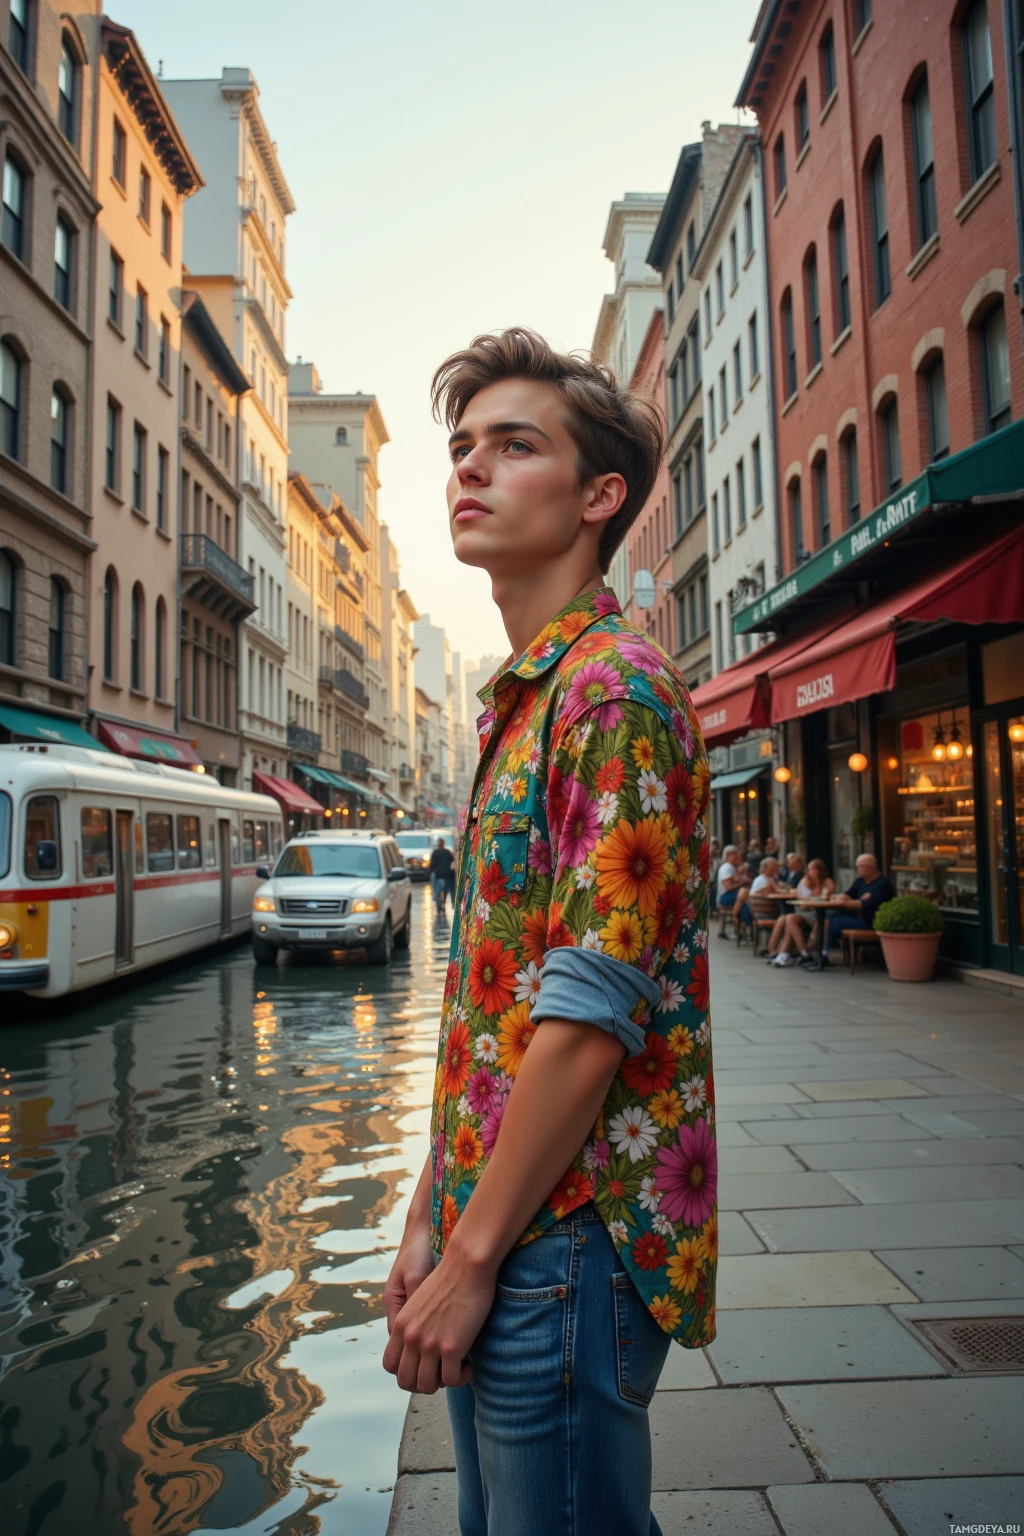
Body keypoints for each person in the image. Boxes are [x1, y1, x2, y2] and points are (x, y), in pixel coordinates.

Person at [382, 328, 715, 1536]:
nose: (468, 467)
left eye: (513, 445)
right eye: (462, 446)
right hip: (503, 1217)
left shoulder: (609, 691)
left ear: (598, 496)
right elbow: (492, 1002)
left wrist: (472, 1259)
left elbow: (585, 1016)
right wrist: (431, 1211)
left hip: (564, 1239)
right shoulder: (528, 700)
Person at [811, 852, 894, 971]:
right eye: (858, 867)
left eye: (862, 866)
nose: (859, 870)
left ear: (872, 867)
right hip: (858, 918)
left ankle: (823, 954)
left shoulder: (881, 884)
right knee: (830, 915)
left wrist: (843, 902)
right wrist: (842, 897)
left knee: (831, 921)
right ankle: (821, 953)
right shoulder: (860, 881)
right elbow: (848, 894)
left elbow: (861, 904)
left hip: (871, 923)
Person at [769, 858, 834, 966]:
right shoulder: (805, 882)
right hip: (805, 913)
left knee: (787, 920)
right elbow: (803, 902)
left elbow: (827, 895)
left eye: (814, 869)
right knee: (790, 918)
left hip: (820, 913)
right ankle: (805, 953)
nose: (811, 872)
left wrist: (815, 894)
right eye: (809, 869)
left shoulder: (827, 882)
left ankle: (785, 954)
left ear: (820, 870)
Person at [716, 843, 744, 933]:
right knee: (745, 899)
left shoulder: (732, 867)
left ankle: (740, 925)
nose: (737, 857)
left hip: (730, 895)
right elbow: (729, 887)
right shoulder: (726, 868)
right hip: (726, 896)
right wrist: (741, 883)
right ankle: (739, 924)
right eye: (735, 855)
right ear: (729, 855)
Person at [429, 837, 456, 916]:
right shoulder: (448, 852)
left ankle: (437, 903)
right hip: (447, 875)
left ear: (438, 844)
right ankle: (452, 900)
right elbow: (452, 863)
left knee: (436, 889)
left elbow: (432, 865)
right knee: (449, 889)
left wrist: (431, 870)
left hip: (438, 875)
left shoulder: (435, 852)